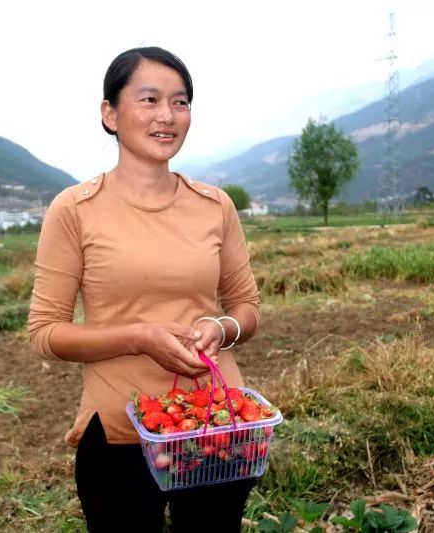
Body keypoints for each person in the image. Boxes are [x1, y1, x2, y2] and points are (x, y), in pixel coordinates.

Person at [27, 46, 261, 533]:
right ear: (110, 114)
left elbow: (247, 309)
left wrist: (221, 326)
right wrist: (138, 337)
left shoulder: (214, 206)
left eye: (180, 102)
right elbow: (45, 333)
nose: (167, 116)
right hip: (119, 430)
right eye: (149, 99)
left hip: (214, 427)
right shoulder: (75, 210)